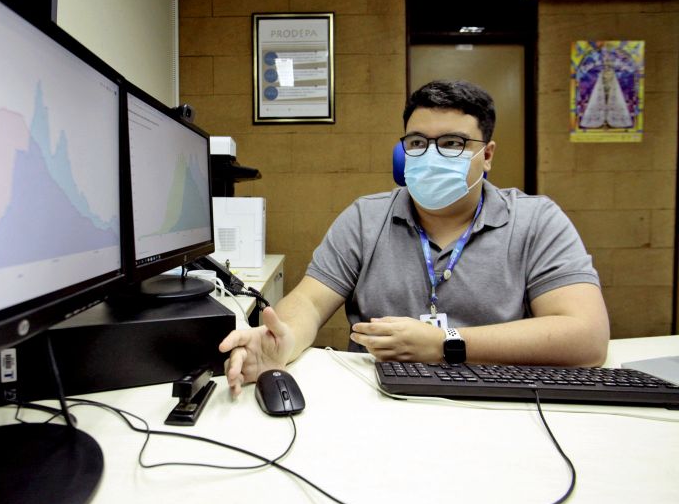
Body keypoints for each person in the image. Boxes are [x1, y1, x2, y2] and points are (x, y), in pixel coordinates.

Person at [219, 79, 610, 397]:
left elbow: (586, 337)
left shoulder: (536, 221)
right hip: (382, 402)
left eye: (453, 143)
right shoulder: (365, 217)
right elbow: (308, 300)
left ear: (487, 155)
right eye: (418, 142)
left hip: (500, 403)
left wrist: (445, 343)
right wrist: (282, 340)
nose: (432, 154)